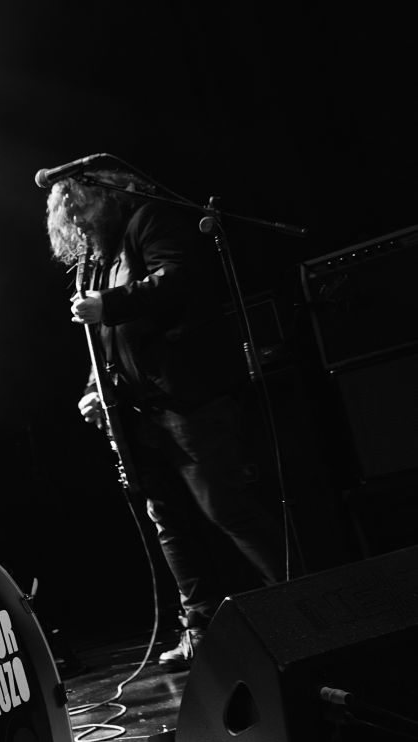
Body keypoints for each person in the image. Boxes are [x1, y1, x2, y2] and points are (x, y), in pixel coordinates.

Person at [45, 168, 284, 668]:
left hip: (188, 399)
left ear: (103, 196)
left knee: (227, 508)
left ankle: (295, 605)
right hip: (140, 413)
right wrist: (94, 392)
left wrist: (108, 303)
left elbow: (177, 278)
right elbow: (104, 342)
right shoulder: (99, 260)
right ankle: (200, 628)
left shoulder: (150, 221)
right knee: (168, 522)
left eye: (81, 211)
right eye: (70, 221)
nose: (78, 225)